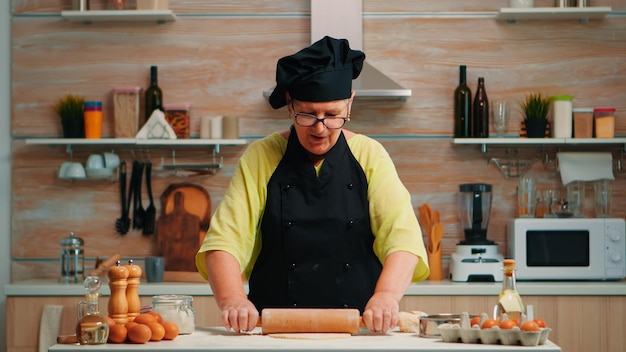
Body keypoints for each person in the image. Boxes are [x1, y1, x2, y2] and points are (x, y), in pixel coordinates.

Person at [195, 36, 429, 334]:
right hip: (274, 330)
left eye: (332, 115)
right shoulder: (261, 156)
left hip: (357, 330)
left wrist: (386, 296)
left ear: (349, 104)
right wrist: (232, 299)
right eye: (307, 115)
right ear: (290, 105)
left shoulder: (371, 155)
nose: (320, 129)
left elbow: (403, 239)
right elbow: (225, 240)